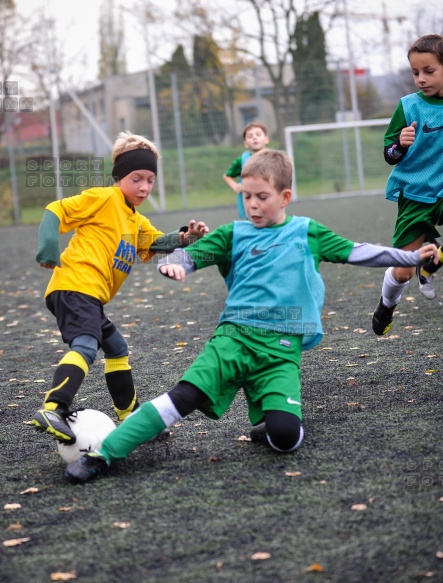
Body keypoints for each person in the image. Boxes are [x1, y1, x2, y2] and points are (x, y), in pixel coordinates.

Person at [64, 149, 438, 484]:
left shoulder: (307, 232)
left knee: (287, 439)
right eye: (246, 197)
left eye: (262, 197)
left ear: (284, 196)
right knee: (182, 397)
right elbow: (189, 255)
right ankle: (103, 455)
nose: (253, 205)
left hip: (280, 350)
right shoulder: (234, 234)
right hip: (233, 340)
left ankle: (269, 419)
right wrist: (176, 265)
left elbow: (358, 252)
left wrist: (411, 257)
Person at [31, 131, 209, 445]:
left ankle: (130, 418)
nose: (144, 186)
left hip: (88, 295)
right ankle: (54, 408)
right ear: (119, 177)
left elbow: (154, 243)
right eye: (137, 178)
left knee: (116, 348)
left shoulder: (135, 220)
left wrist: (184, 238)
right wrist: (47, 247)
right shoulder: (104, 198)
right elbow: (55, 210)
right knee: (86, 345)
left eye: (150, 180)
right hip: (74, 285)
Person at [372, 34, 443, 336]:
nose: (421, 79)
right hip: (416, 195)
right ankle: (387, 305)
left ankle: (431, 262)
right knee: (402, 269)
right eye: (415, 73)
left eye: (429, 71)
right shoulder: (408, 107)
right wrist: (399, 145)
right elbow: (389, 155)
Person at [223, 121, 269, 219]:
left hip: (268, 199)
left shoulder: (273, 158)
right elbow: (227, 176)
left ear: (266, 139)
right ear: (245, 143)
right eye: (250, 136)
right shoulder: (243, 160)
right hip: (250, 202)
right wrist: (235, 185)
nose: (254, 137)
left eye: (258, 134)